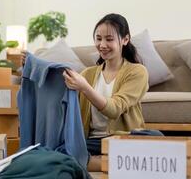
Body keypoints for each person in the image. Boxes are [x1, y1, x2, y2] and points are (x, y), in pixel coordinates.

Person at [62, 13, 149, 171]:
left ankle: (90, 162)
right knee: (59, 149)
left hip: (123, 138)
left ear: (125, 40)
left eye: (109, 39)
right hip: (93, 142)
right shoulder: (87, 74)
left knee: (156, 138)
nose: (102, 45)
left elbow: (114, 109)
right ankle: (120, 164)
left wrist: (84, 87)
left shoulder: (138, 72)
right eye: (98, 38)